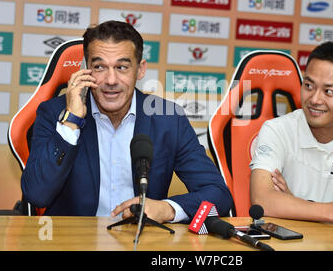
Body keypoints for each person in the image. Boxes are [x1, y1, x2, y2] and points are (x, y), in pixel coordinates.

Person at [21, 20, 233, 222]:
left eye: (122, 67)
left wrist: (167, 209)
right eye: (100, 67)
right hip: (74, 242)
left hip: (141, 240)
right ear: (86, 69)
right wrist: (72, 122)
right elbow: (37, 195)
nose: (111, 80)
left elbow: (218, 196)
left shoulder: (168, 119)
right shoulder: (55, 113)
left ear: (140, 69)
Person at [250, 41, 333, 229]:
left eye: (329, 92)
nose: (314, 99)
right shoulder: (277, 129)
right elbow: (262, 200)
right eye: (308, 85)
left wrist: (293, 203)